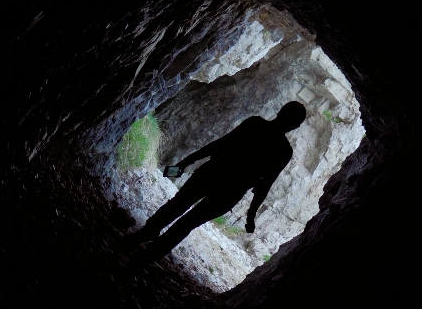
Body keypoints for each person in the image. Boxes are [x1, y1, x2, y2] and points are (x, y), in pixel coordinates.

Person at [120, 101, 307, 264]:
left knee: (178, 204)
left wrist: (187, 161)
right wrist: (250, 215)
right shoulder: (283, 151)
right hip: (231, 191)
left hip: (212, 172)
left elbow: (220, 144)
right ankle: (144, 259)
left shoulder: (255, 123)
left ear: (280, 111)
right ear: (295, 127)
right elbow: (264, 185)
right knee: (187, 223)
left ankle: (145, 234)